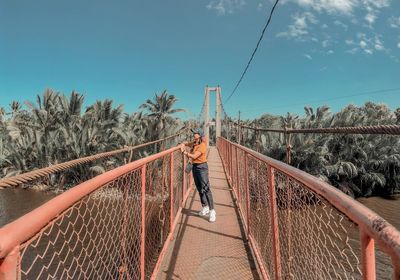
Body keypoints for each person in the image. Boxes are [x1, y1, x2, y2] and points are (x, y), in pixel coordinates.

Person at [180, 128, 216, 222]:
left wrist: (184, 152)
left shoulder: (202, 145)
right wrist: (183, 144)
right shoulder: (195, 142)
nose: (194, 134)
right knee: (199, 188)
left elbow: (194, 156)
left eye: (195, 133)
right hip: (195, 167)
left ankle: (212, 211)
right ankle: (205, 207)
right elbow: (187, 143)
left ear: (199, 135)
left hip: (202, 168)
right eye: (194, 132)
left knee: (206, 188)